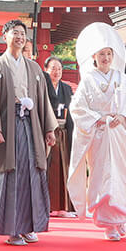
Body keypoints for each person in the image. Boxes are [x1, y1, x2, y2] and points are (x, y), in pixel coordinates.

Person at [0, 19, 58, 246]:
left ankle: (30, 227)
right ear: (5, 37)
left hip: (31, 125)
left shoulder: (34, 68)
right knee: (11, 176)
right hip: (7, 127)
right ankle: (12, 229)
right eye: (15, 33)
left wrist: (49, 128)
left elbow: (43, 101)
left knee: (33, 172)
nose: (20, 37)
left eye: (22, 34)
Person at [67, 23, 126, 241]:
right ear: (93, 56)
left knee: (123, 175)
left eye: (109, 54)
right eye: (101, 54)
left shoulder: (122, 78)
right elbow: (77, 108)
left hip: (120, 134)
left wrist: (123, 116)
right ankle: (108, 224)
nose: (105, 58)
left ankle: (121, 219)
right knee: (102, 176)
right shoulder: (87, 81)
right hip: (100, 135)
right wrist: (99, 118)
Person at [44, 56, 76, 217]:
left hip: (63, 133)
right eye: (53, 68)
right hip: (48, 132)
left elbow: (72, 114)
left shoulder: (67, 89)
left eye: (59, 69)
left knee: (64, 168)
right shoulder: (42, 87)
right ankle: (47, 206)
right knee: (48, 170)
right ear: (46, 70)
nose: (56, 72)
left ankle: (63, 207)